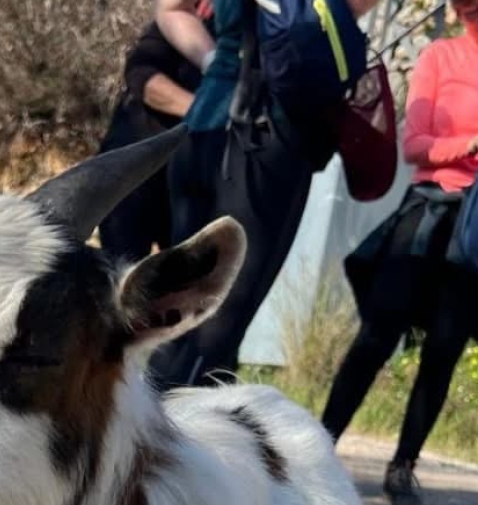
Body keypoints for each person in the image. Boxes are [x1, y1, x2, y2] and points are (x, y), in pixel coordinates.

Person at [319, 0, 478, 505]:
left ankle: (403, 466)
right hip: (430, 205)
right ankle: (318, 447)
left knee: (446, 345)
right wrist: (470, 142)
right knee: (376, 333)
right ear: (456, 11)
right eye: (472, 9)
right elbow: (415, 146)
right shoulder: (439, 56)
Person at [149, 0, 382, 389]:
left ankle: (144, 422)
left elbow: (171, 9)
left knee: (182, 301)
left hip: (204, 123)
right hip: (269, 137)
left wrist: (214, 61)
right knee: (224, 310)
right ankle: (168, 437)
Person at [97, 4, 208, 262]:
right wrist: (202, 110)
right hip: (133, 175)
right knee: (122, 272)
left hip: (188, 180)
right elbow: (143, 78)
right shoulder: (178, 27)